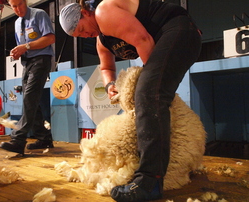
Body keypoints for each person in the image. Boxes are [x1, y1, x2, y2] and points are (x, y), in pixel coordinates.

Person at [59, 0, 202, 201]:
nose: (85, 35)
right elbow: (107, 68)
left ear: (85, 13)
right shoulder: (102, 40)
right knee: (150, 93)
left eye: (82, 29)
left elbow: (143, 40)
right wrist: (110, 85)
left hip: (179, 30)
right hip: (173, 38)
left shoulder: (103, 11)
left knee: (148, 94)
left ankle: (150, 181)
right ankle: (154, 173)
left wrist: (150, 85)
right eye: (79, 36)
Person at [0, 0, 55, 155]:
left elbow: (50, 38)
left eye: (20, 4)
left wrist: (26, 47)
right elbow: (23, 47)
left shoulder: (39, 14)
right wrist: (18, 51)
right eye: (14, 6)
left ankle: (18, 140)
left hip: (41, 59)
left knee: (30, 98)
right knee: (30, 100)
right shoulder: (17, 23)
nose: (17, 9)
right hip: (27, 63)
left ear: (25, 2)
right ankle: (44, 137)